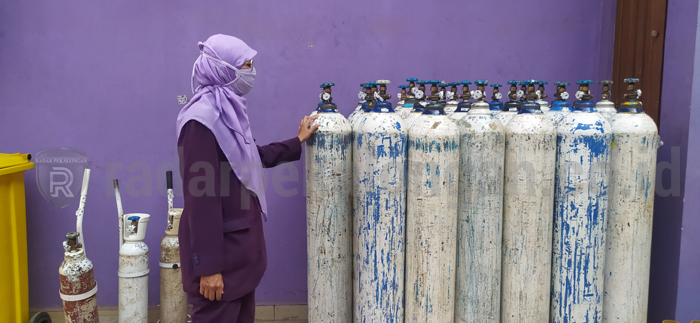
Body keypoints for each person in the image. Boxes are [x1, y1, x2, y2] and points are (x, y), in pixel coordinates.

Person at [176, 34, 319, 322]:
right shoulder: (201, 121)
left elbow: (251, 156)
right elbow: (200, 198)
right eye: (245, 65)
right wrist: (209, 267)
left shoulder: (227, 112)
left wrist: (297, 141)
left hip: (241, 257)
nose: (251, 72)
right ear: (224, 69)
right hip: (221, 264)